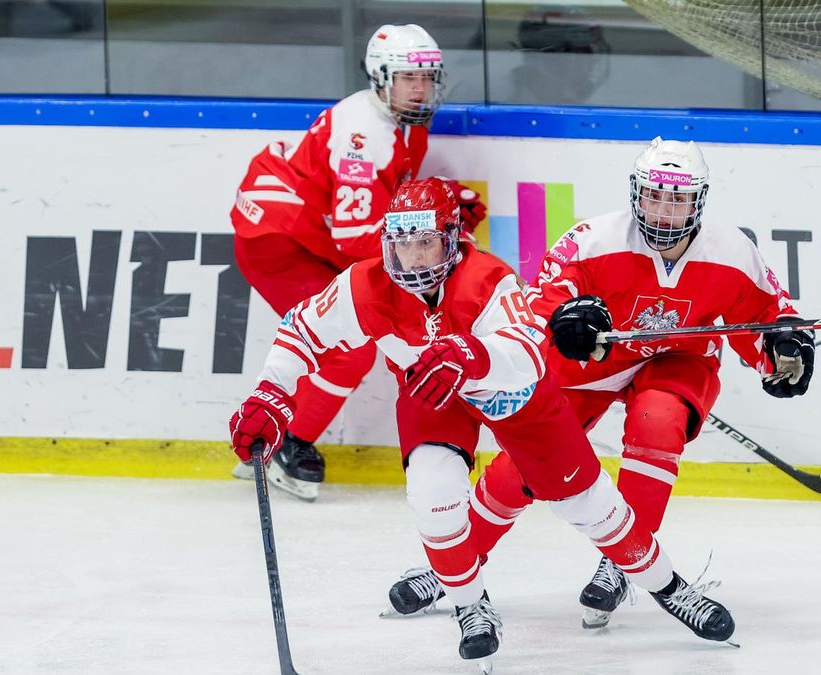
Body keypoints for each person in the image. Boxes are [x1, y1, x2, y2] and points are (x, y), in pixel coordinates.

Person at [228, 178, 737, 667]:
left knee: (591, 506)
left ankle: (670, 588)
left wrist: (472, 354)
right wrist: (271, 395)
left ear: (452, 240)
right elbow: (301, 333)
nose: (414, 257)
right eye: (403, 244)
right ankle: (471, 604)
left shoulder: (487, 278)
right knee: (432, 496)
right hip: (433, 394)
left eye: (427, 243)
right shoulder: (363, 285)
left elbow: (530, 353)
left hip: (512, 396)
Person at [386, 137, 815, 629]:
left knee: (660, 419)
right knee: (522, 468)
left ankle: (624, 559)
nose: (665, 211)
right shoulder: (592, 240)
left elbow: (767, 315)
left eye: (677, 199)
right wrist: (565, 323)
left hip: (676, 358)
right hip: (592, 364)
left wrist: (780, 352)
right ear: (636, 194)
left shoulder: (734, 252)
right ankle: (455, 567)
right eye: (655, 196)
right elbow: (537, 310)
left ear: (698, 200)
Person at [228, 24, 486, 500]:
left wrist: (439, 204)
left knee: (350, 341)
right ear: (380, 77)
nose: (421, 88)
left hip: (306, 233)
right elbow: (358, 243)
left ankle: (271, 443)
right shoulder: (365, 138)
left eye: (428, 78)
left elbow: (378, 206)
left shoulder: (400, 119)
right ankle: (284, 445)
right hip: (279, 241)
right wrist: (438, 253)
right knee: (348, 346)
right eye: (409, 78)